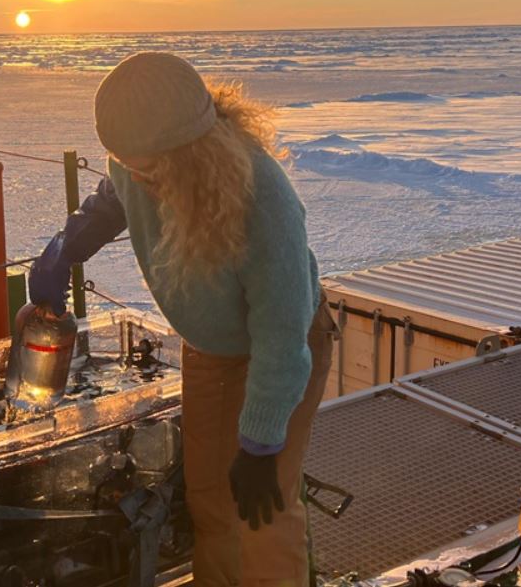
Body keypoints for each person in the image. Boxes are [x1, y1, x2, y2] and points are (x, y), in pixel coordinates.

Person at [27, 51, 334, 586]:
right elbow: (110, 198)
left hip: (280, 352)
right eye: (126, 164)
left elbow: (282, 335)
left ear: (192, 151)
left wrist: (261, 442)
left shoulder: (263, 199)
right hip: (212, 350)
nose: (138, 180)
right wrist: (65, 248)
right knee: (211, 501)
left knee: (263, 510)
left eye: (148, 169)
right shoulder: (136, 165)